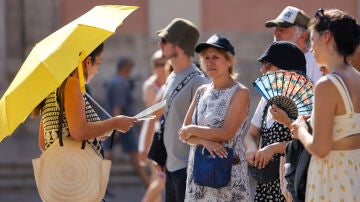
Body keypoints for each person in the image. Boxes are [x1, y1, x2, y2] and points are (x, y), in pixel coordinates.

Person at [34, 43, 137, 201]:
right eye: (98, 63)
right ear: (88, 61)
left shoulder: (51, 89)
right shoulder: (71, 84)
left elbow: (44, 143)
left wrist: (95, 134)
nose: (98, 70)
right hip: (80, 182)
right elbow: (79, 131)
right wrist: (115, 123)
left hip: (60, 182)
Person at [290, 9, 360, 201]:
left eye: (312, 40)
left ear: (326, 36)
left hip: (332, 179)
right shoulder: (357, 78)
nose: (311, 48)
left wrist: (301, 129)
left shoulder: (327, 84)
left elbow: (321, 148)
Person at [178, 33, 251, 201]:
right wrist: (205, 142)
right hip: (199, 172)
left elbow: (226, 133)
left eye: (215, 57)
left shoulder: (240, 92)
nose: (209, 62)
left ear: (229, 61)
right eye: (206, 58)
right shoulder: (201, 91)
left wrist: (193, 130)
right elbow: (183, 134)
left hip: (228, 171)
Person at [153, 18, 210, 202]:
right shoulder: (172, 77)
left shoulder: (199, 81)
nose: (159, 44)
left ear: (178, 45)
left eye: (164, 40)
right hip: (171, 168)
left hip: (189, 170)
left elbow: (208, 128)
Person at [244, 41, 307, 201]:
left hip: (292, 183)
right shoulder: (266, 99)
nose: (262, 70)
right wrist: (251, 149)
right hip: (266, 184)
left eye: (268, 65)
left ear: (284, 69)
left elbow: (308, 144)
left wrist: (273, 148)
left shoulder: (303, 99)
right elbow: (251, 134)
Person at [103, 57, 150, 187]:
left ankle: (148, 184)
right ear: (127, 68)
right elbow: (117, 106)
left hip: (121, 124)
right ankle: (149, 184)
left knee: (112, 153)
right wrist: (116, 128)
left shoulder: (117, 82)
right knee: (114, 154)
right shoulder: (119, 83)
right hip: (122, 125)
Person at [138, 49, 168, 202]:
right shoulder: (151, 86)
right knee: (161, 181)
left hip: (162, 134)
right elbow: (153, 116)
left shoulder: (168, 83)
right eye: (157, 63)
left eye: (163, 63)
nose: (161, 66)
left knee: (156, 179)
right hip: (155, 135)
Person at [265, 6, 322, 83]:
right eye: (276, 29)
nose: (276, 34)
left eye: (282, 30)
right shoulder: (275, 64)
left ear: (302, 36)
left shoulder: (316, 62)